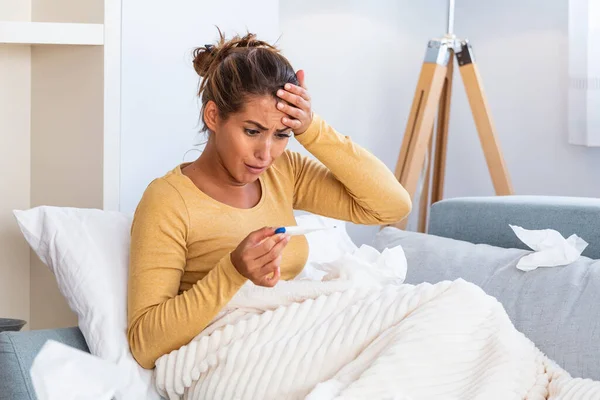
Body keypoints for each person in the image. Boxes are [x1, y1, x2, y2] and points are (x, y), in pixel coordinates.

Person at [126, 30, 412, 369]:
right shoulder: (168, 200)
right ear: (214, 116)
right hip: (239, 359)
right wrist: (232, 271)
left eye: (281, 135)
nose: (265, 154)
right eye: (252, 131)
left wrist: (311, 129)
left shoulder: (283, 172)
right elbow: (144, 344)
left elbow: (391, 205)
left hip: (300, 339)